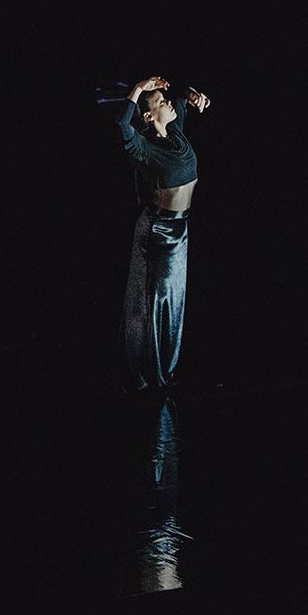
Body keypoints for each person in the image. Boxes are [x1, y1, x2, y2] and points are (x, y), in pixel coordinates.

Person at [116, 76, 211, 393]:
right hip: (159, 231)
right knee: (154, 304)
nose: (169, 102)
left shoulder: (175, 131)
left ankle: (163, 371)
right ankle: (150, 374)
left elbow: (183, 98)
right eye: (161, 101)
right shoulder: (143, 148)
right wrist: (139, 90)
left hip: (180, 228)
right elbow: (122, 126)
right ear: (147, 115)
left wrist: (194, 95)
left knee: (173, 302)